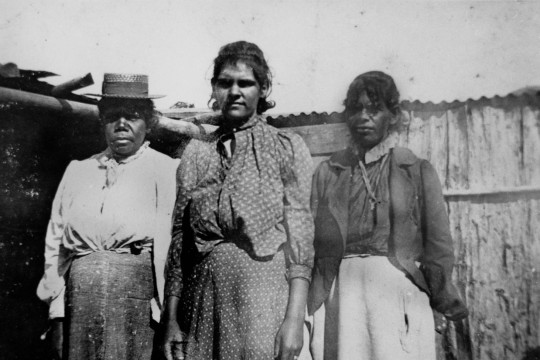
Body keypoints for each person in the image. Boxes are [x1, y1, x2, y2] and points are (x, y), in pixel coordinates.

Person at [161, 41, 314, 360]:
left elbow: (300, 241)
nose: (234, 91)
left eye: (245, 83)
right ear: (214, 88)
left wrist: (294, 320)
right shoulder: (197, 153)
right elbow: (180, 241)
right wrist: (171, 318)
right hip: (204, 300)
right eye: (224, 82)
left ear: (263, 88)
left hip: (262, 302)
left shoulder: (285, 148)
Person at [307, 71, 469, 360]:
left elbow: (438, 245)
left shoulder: (416, 170)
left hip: (396, 292)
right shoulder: (328, 173)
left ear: (393, 115)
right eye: (356, 109)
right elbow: (310, 244)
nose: (364, 117)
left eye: (375, 109)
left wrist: (440, 299)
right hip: (341, 295)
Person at [36, 73, 180, 360]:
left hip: (135, 294)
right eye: (113, 116)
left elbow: (171, 247)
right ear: (102, 120)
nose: (122, 124)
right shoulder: (78, 170)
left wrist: (164, 312)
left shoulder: (165, 169)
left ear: (148, 122)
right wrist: (57, 311)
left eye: (133, 116)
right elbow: (57, 247)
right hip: (81, 295)